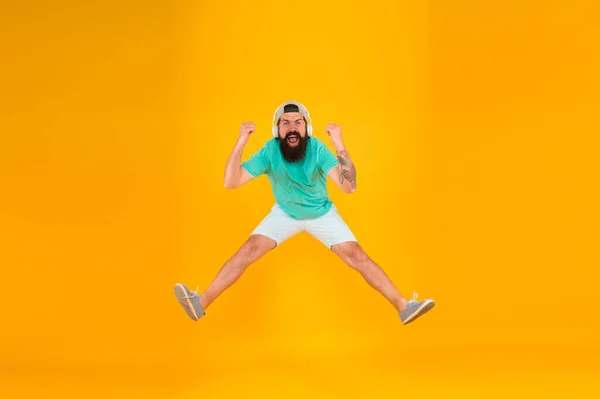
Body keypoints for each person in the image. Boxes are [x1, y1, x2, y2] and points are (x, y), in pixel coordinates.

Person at [174, 101, 435, 325]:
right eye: (285, 123)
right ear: (277, 129)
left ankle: (404, 307)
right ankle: (200, 302)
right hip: (285, 214)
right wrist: (242, 140)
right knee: (247, 251)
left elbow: (349, 187)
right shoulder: (270, 150)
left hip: (321, 214)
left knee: (358, 257)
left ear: (306, 127)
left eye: (297, 122)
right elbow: (231, 182)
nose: (291, 128)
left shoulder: (318, 148)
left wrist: (338, 142)